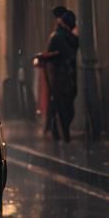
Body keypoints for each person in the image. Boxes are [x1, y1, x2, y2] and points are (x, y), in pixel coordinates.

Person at [41, 10, 79, 142]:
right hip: (63, 77)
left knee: (62, 107)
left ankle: (57, 131)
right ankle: (62, 133)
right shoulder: (62, 37)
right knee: (64, 107)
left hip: (62, 77)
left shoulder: (61, 36)